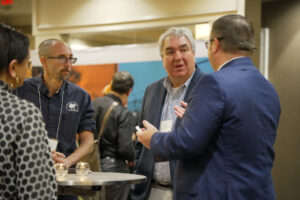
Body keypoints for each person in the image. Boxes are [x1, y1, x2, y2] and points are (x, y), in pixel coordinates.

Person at [136, 14, 281, 200]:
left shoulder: (213, 83)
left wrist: (153, 138)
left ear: (216, 45)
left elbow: (187, 143)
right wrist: (196, 117)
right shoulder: (267, 87)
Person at [130, 27, 205, 200]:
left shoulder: (208, 88)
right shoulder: (152, 90)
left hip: (192, 192)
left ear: (194, 53)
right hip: (151, 191)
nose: (177, 57)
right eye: (170, 52)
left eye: (184, 50)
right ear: (162, 58)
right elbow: (141, 142)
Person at [17, 39, 96, 200]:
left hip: (65, 184)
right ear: (43, 61)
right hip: (27, 182)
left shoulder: (80, 96)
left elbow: (88, 142)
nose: (68, 64)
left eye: (70, 58)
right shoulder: (20, 91)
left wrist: (67, 161)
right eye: (62, 58)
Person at [0, 24, 57, 199]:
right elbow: (36, 191)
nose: (29, 70)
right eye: (27, 64)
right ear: (13, 68)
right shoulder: (22, 114)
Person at [92, 71, 135, 200]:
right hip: (114, 170)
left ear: (111, 85)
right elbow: (125, 149)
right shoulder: (123, 113)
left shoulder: (94, 104)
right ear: (129, 91)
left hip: (91, 167)